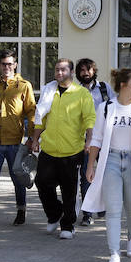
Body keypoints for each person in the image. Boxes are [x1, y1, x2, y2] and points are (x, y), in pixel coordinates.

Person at [82, 69, 131, 262]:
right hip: (111, 161)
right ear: (123, 84)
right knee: (113, 209)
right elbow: (96, 139)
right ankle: (114, 254)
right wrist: (91, 165)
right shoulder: (106, 108)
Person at [29, 58, 96, 239]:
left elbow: (90, 118)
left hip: (72, 151)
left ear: (71, 72)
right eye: (57, 69)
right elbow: (41, 118)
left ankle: (68, 225)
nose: (59, 73)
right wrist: (35, 139)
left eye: (63, 70)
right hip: (49, 149)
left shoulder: (82, 94)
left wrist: (89, 140)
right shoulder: (49, 91)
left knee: (69, 191)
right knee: (41, 183)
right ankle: (55, 214)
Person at [0, 49, 36, 234]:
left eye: (10, 64)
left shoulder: (24, 86)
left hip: (15, 143)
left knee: (18, 179)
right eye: (3, 64)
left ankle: (21, 209)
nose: (6, 67)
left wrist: (32, 138)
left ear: (15, 65)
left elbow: (31, 113)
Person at [75, 58, 116, 226]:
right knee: (86, 176)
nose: (85, 73)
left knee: (106, 175)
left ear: (94, 71)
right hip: (85, 141)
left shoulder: (105, 89)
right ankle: (87, 213)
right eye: (82, 70)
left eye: (88, 69)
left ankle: (102, 205)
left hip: (105, 140)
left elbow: (115, 109)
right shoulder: (75, 91)